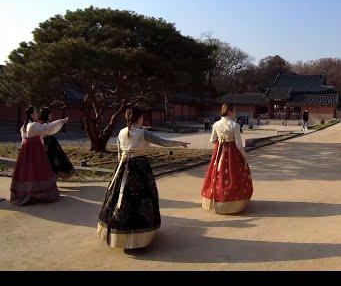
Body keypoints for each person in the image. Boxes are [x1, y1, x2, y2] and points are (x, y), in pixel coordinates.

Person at [97, 106, 188, 250]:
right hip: (140, 168)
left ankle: (118, 233)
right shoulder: (143, 132)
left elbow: (119, 154)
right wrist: (180, 143)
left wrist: (120, 168)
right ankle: (140, 237)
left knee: (120, 198)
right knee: (143, 198)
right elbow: (163, 142)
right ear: (139, 118)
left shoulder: (121, 132)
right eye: (142, 117)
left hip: (123, 167)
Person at [10, 106, 68, 206]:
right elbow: (47, 128)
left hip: (27, 154)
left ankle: (29, 194)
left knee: (28, 173)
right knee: (37, 172)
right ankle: (35, 195)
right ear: (32, 115)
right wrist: (61, 121)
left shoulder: (25, 126)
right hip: (35, 154)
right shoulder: (32, 126)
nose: (38, 114)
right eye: (36, 113)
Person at [201, 103, 253, 214]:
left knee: (217, 174)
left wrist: (221, 142)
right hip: (232, 154)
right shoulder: (235, 125)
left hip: (219, 152)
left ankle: (215, 201)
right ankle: (235, 203)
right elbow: (239, 144)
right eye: (234, 111)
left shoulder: (216, 124)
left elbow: (212, 140)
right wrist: (244, 156)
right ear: (229, 111)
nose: (235, 113)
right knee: (234, 174)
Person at [38, 107, 74, 179]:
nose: (51, 115)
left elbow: (52, 126)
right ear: (46, 114)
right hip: (45, 144)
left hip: (51, 143)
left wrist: (61, 121)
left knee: (56, 159)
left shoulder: (46, 122)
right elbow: (50, 127)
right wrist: (61, 121)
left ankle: (54, 176)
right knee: (49, 159)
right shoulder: (40, 123)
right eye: (50, 114)